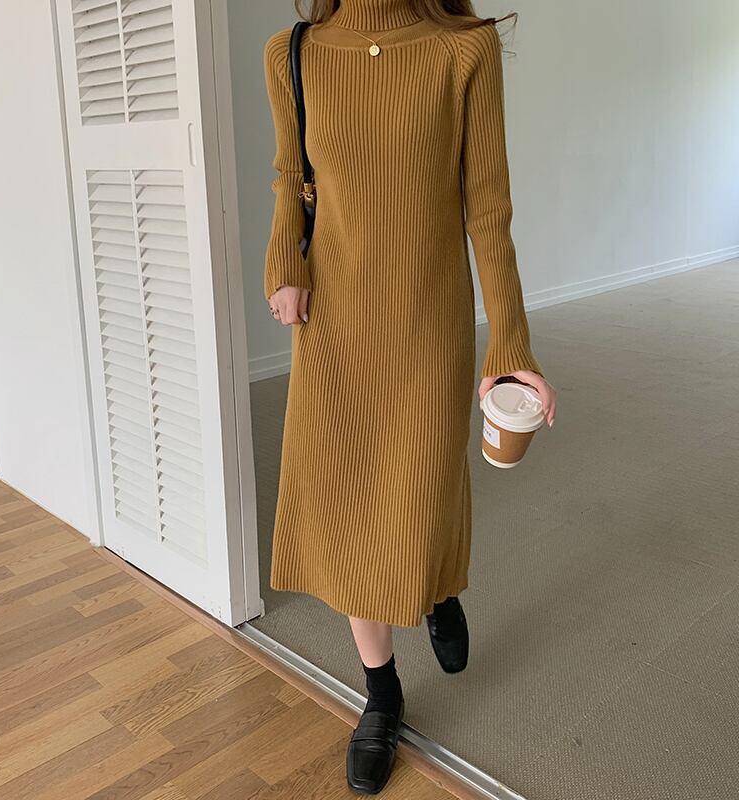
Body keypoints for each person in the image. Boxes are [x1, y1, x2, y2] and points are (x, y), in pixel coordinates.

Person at [262, 0, 557, 793]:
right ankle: (382, 692)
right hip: (335, 319)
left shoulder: (464, 51)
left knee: (424, 484)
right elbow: (292, 177)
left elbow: (487, 205)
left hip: (429, 318)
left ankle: (436, 587)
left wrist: (510, 346)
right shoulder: (291, 53)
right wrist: (284, 262)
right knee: (350, 501)